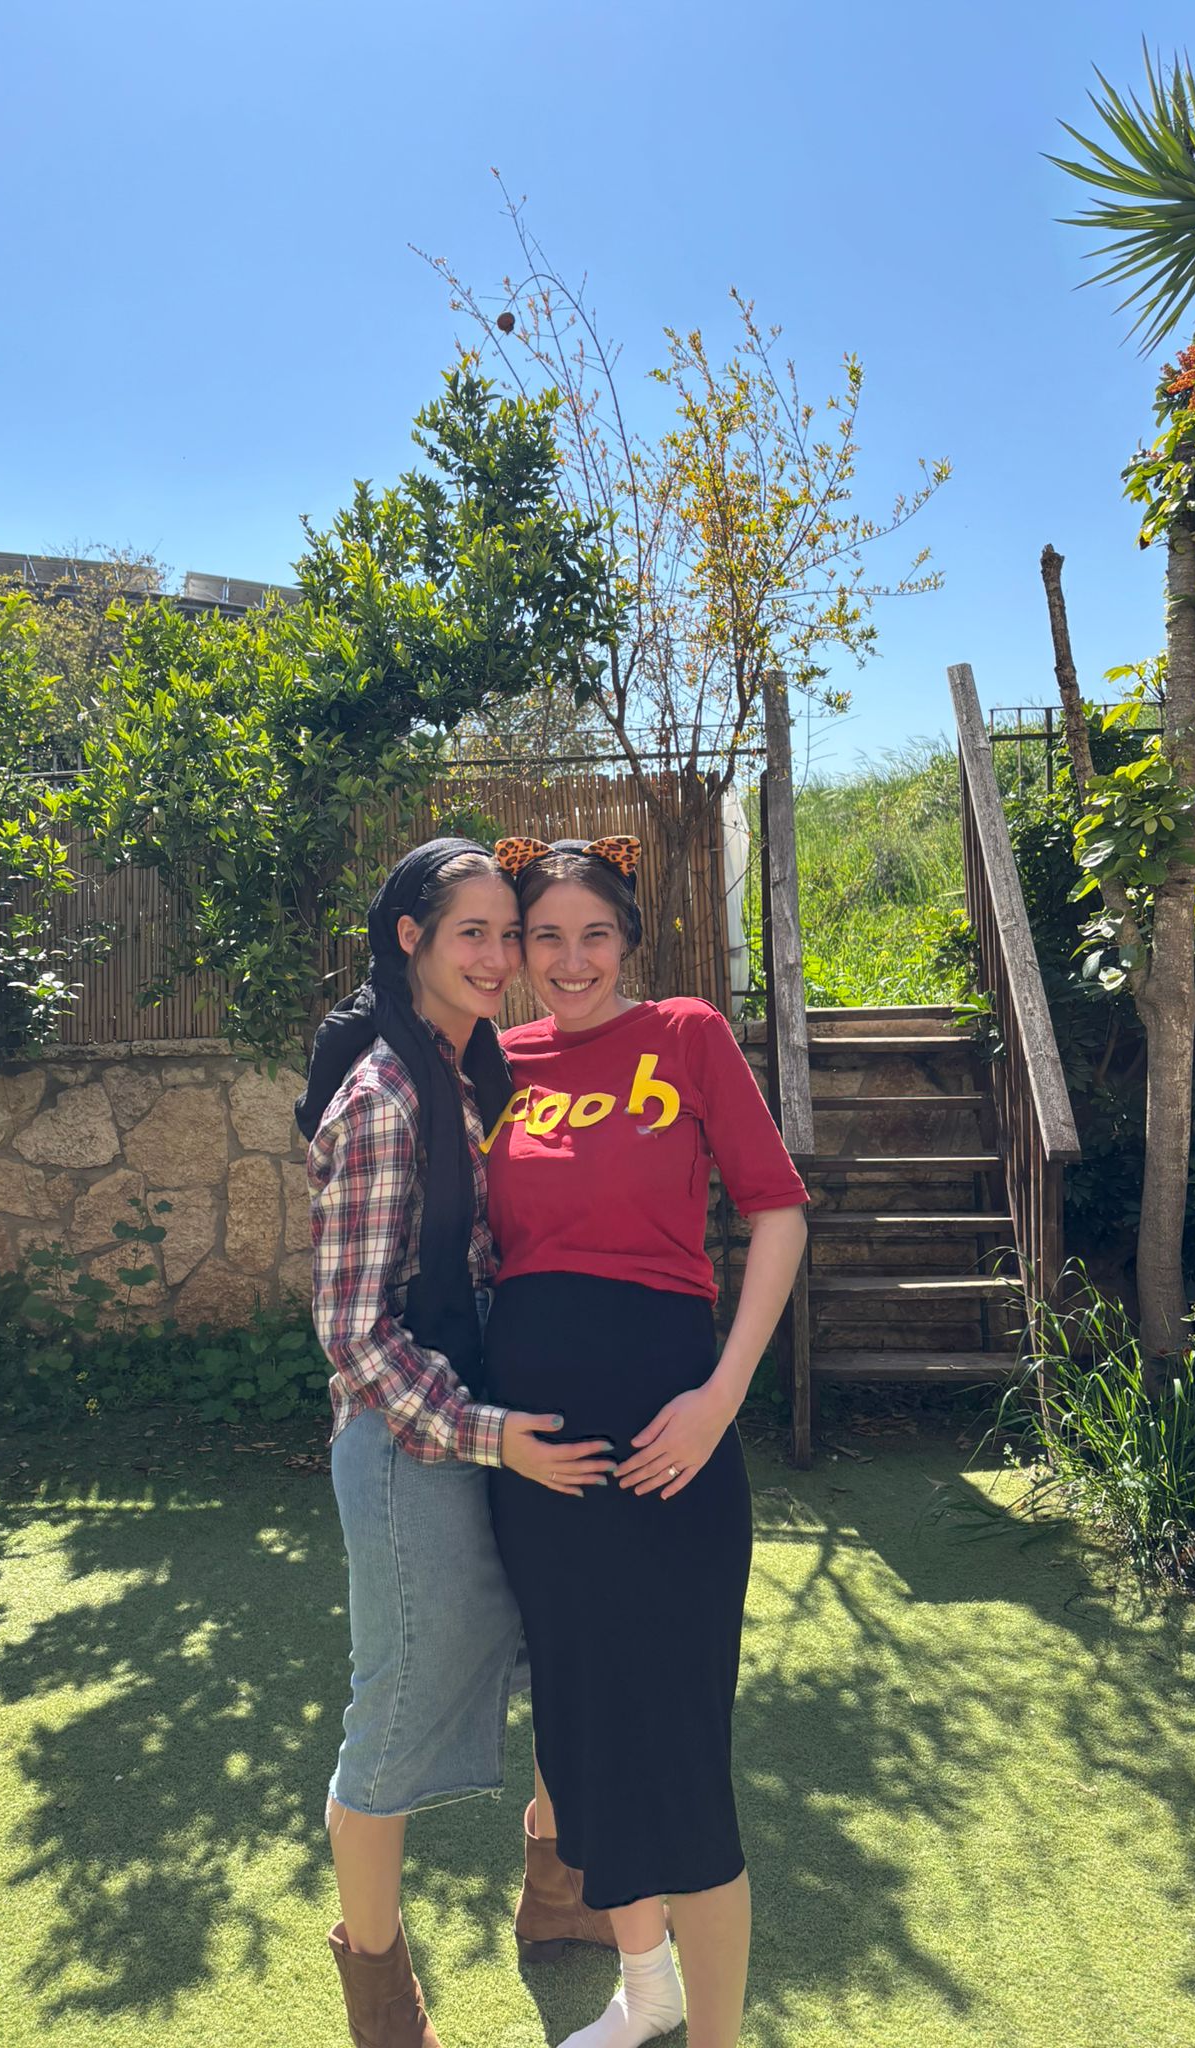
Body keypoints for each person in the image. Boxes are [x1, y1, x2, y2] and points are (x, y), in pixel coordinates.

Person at [482, 835, 809, 2048]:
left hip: (673, 1437)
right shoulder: (490, 1063)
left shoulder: (686, 1034)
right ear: (518, 949)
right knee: (576, 1732)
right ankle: (645, 1984)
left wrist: (723, 1395)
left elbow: (777, 1210)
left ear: (628, 941)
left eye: (594, 935)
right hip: (536, 1458)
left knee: (678, 1757)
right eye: (546, 936)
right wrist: (493, 1434)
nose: (570, 961)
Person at [298, 838, 618, 2048]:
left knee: (555, 1646)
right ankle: (382, 1997)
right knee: (394, 1714)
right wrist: (492, 1435)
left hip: (493, 1421)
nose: (497, 956)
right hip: (413, 1446)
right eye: (470, 932)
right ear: (411, 939)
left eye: (506, 932)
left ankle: (559, 1889)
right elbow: (352, 1333)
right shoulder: (385, 1094)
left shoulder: (479, 1071)